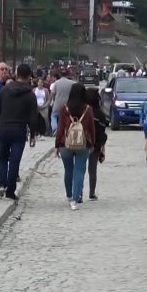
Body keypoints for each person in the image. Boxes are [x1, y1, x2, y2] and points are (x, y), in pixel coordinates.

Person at [0, 64, 40, 201]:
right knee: (14, 161)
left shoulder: (4, 90)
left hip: (3, 129)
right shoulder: (30, 95)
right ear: (29, 76)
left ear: (16, 74)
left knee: (2, 158)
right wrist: (33, 134)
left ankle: (2, 184)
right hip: (19, 131)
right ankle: (10, 190)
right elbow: (33, 117)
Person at [54, 83, 95, 211]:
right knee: (79, 171)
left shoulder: (64, 109)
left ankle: (69, 195)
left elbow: (60, 128)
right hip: (83, 144)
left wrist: (57, 145)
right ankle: (75, 199)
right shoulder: (88, 109)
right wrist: (92, 142)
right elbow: (91, 128)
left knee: (68, 170)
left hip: (65, 144)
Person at [83, 87, 108, 201]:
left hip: (82, 143)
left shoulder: (81, 111)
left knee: (81, 168)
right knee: (92, 170)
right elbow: (102, 132)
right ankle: (92, 193)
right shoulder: (100, 114)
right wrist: (102, 146)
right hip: (95, 144)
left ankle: (78, 192)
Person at [48, 70, 75, 134]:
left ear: (60, 75)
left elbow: (52, 94)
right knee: (67, 117)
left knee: (53, 116)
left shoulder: (56, 83)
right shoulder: (71, 83)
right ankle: (67, 129)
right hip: (68, 104)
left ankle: (55, 128)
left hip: (57, 104)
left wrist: (53, 101)